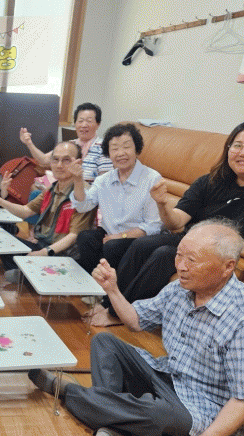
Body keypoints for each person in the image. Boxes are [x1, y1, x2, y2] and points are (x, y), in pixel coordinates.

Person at [29, 219, 244, 436]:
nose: (181, 266)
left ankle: (67, 391)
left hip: (202, 410)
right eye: (179, 255)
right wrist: (112, 289)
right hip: (168, 377)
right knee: (104, 342)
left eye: (192, 260)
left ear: (227, 267)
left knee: (158, 413)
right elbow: (135, 321)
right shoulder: (179, 290)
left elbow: (241, 401)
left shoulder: (239, 316)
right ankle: (120, 430)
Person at [92, 122, 244, 326]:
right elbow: (176, 222)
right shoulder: (209, 181)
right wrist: (162, 204)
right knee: (141, 244)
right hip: (188, 238)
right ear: (228, 149)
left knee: (164, 255)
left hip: (217, 250)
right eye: (238, 146)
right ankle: (111, 303)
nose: (242, 153)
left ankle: (121, 314)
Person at [0, 142, 96, 282]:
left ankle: (31, 275)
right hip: (43, 245)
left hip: (64, 254)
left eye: (66, 160)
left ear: (79, 163)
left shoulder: (84, 194)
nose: (59, 165)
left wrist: (43, 253)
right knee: (3, 242)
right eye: (55, 159)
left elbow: (74, 236)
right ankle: (33, 274)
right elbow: (26, 211)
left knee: (25, 262)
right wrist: (0, 201)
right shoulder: (52, 188)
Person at [70, 123, 162, 275]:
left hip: (137, 239)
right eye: (114, 148)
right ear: (108, 153)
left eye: (126, 147)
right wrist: (78, 180)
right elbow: (83, 206)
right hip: (109, 235)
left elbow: (153, 226)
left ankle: (108, 287)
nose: (120, 153)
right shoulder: (104, 180)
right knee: (85, 238)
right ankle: (93, 282)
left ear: (137, 149)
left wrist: (120, 237)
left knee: (112, 246)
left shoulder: (152, 179)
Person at [20, 102, 112, 183]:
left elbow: (104, 182)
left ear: (98, 124)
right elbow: (44, 160)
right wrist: (29, 143)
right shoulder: (69, 145)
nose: (84, 125)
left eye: (89, 121)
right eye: (80, 121)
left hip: (86, 193)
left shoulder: (104, 147)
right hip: (64, 189)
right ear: (75, 123)